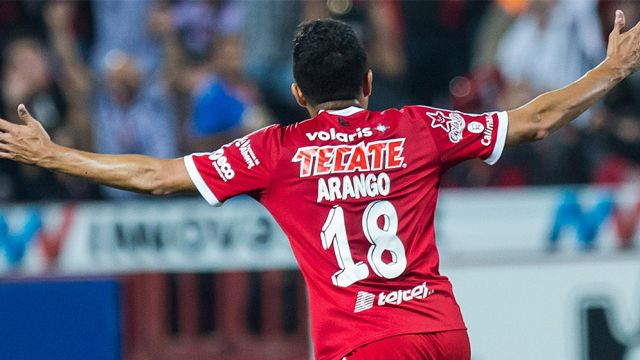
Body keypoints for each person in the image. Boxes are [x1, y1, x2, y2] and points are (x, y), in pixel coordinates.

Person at [0, 12, 638, 360]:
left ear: (299, 94)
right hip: (444, 335)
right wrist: (610, 70)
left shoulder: (276, 151)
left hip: (361, 346)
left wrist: (59, 157)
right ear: (366, 82)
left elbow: (157, 176)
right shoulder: (419, 128)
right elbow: (533, 120)